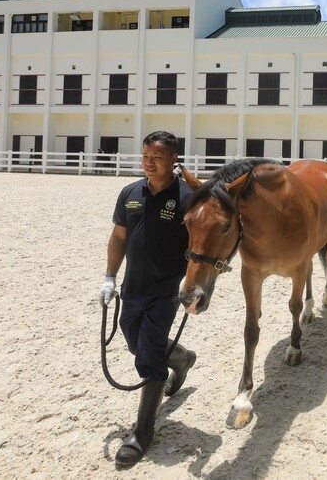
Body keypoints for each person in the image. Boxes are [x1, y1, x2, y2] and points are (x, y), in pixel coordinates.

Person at [98, 130, 196, 466]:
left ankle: (142, 433)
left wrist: (190, 284)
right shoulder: (129, 193)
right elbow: (119, 237)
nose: (148, 163)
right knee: (136, 343)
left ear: (173, 160)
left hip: (166, 291)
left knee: (148, 359)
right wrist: (110, 277)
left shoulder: (186, 197)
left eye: (156, 158)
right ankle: (181, 358)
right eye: (144, 157)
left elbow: (198, 246)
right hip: (133, 288)